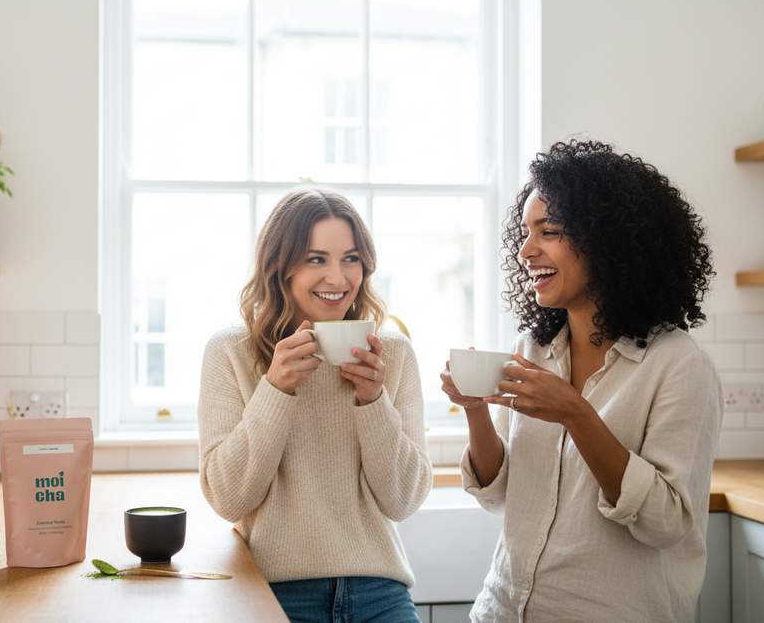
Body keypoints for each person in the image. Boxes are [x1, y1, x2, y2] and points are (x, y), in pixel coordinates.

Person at [441, 139, 723, 623]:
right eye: (525, 233)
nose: (527, 251)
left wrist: (575, 413)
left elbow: (665, 521)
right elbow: (501, 494)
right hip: (501, 610)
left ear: (608, 239)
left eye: (548, 231)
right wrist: (474, 410)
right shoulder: (535, 349)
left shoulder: (678, 366)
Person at [199, 185, 432, 623]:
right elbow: (229, 497)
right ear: (279, 267)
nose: (338, 278)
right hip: (274, 592)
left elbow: (402, 501)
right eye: (315, 259)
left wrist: (372, 400)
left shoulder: (393, 354)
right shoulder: (231, 351)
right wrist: (275, 388)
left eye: (351, 258)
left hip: (380, 593)